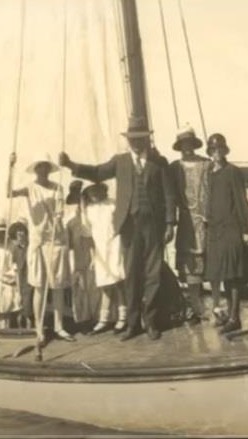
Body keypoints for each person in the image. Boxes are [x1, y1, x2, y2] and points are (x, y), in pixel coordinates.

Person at [59, 116, 176, 341]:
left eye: (140, 139)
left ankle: (150, 322)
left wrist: (170, 223)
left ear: (147, 139)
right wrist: (71, 165)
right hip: (128, 226)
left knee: (153, 274)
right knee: (131, 274)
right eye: (132, 138)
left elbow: (169, 195)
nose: (135, 142)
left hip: (153, 226)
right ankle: (133, 324)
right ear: (128, 140)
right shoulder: (120, 162)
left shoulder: (159, 163)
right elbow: (96, 172)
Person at [8, 154, 74, 342]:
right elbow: (9, 193)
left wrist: (58, 219)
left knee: (59, 285)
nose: (42, 171)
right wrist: (10, 167)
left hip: (56, 240)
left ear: (49, 170)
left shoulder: (57, 187)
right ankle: (39, 328)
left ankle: (59, 326)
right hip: (37, 241)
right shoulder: (30, 188)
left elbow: (60, 211)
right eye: (39, 168)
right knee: (39, 285)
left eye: (45, 168)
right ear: (35, 170)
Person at [205, 134, 248, 334]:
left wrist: (245, 228)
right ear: (210, 152)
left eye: (220, 149)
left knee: (233, 274)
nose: (217, 153)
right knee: (223, 273)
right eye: (214, 150)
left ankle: (235, 317)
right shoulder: (209, 173)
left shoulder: (232, 172)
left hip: (231, 227)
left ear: (225, 151)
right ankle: (230, 316)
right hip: (215, 229)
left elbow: (241, 200)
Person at [169, 126, 210, 324]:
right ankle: (195, 305)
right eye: (183, 144)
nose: (187, 148)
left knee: (209, 263)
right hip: (186, 221)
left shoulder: (206, 164)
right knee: (190, 265)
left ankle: (212, 303)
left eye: (189, 144)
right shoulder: (175, 167)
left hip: (205, 220)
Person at [82, 182, 128, 335]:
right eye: (90, 191)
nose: (94, 194)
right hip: (100, 249)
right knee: (105, 285)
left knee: (119, 282)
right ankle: (104, 319)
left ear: (103, 189)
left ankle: (123, 317)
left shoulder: (113, 204)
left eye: (96, 190)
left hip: (115, 244)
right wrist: (92, 257)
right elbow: (87, 234)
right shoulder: (88, 210)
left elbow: (123, 224)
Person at [65, 180, 102, 332]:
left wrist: (94, 257)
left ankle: (97, 318)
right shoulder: (70, 223)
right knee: (79, 289)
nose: (80, 205)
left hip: (93, 255)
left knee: (94, 287)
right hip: (77, 258)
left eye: (82, 201)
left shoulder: (93, 218)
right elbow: (69, 245)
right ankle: (83, 320)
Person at [8, 217, 32, 329]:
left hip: (28, 275)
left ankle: (28, 322)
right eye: (18, 231)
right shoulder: (13, 248)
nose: (20, 233)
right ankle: (17, 324)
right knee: (18, 299)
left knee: (27, 299)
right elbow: (11, 263)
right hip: (17, 276)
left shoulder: (29, 246)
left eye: (22, 230)